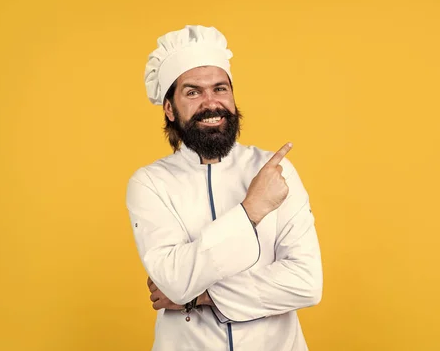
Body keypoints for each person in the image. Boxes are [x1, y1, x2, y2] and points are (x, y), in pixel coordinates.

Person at [126, 25, 323, 351]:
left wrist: (200, 297)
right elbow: (174, 282)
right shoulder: (150, 183)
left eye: (220, 89)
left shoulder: (274, 170)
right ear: (169, 109)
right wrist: (251, 210)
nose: (211, 102)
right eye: (192, 92)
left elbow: (306, 284)